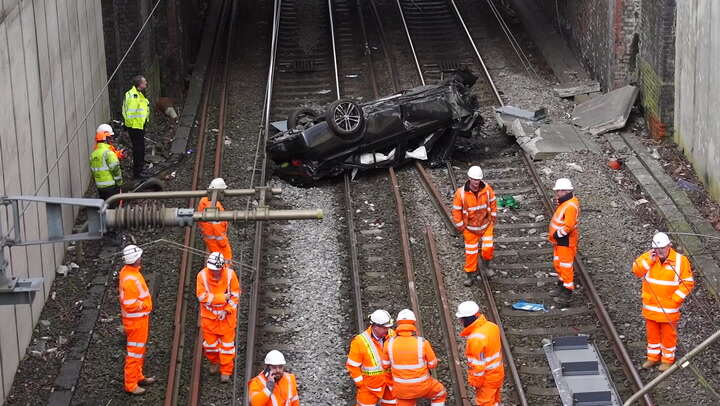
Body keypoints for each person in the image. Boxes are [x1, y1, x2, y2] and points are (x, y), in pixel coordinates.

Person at [632, 232, 694, 372]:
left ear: (669, 246)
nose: (659, 251)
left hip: (669, 309)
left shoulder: (680, 261)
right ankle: (652, 357)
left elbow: (687, 283)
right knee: (652, 335)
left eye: (662, 249)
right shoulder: (648, 258)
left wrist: (675, 300)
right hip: (651, 308)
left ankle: (667, 360)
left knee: (668, 336)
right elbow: (636, 270)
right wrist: (649, 261)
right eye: (657, 249)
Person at [382, 309, 446, 406]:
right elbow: (432, 364)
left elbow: (385, 365)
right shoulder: (422, 342)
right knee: (440, 393)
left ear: (398, 324)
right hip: (423, 386)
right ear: (413, 323)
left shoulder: (389, 343)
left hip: (402, 390)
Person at [196, 252, 240, 382]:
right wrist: (222, 298)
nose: (214, 272)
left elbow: (235, 295)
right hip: (209, 320)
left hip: (227, 319)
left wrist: (227, 310)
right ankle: (214, 362)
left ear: (222, 267)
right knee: (210, 346)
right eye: (212, 270)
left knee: (227, 347)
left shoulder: (230, 275)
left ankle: (226, 370)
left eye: (216, 270)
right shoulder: (202, 276)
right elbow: (201, 297)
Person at [118, 245, 155, 395]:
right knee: (134, 353)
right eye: (139, 256)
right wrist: (145, 305)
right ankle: (131, 384)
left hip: (138, 321)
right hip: (136, 322)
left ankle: (138, 376)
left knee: (139, 351)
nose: (141, 258)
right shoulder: (130, 279)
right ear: (135, 259)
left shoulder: (128, 272)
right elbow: (129, 304)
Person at [452, 165, 497, 286]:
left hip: (485, 226)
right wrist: (461, 227)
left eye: (478, 179)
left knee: (488, 248)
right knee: (471, 254)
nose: (476, 182)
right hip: (470, 229)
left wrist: (493, 218)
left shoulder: (487, 190)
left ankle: (486, 267)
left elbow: (493, 203)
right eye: (474, 179)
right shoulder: (461, 194)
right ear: (469, 179)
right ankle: (470, 276)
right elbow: (456, 211)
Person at [456, 301, 504, 406]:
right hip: (498, 373)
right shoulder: (492, 327)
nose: (460, 322)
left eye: (461, 319)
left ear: (467, 319)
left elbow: (478, 367)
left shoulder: (475, 339)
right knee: (494, 401)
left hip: (487, 379)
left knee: (485, 403)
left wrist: (475, 383)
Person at [346, 309, 396, 406]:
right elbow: (352, 365)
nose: (387, 330)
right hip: (369, 387)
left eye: (389, 327)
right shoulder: (359, 341)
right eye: (385, 328)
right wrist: (360, 384)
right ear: (375, 326)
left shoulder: (392, 335)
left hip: (389, 385)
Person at [548, 178, 580, 297]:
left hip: (564, 240)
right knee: (559, 263)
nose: (557, 193)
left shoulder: (570, 206)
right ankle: (562, 283)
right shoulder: (567, 202)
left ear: (564, 191)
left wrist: (557, 234)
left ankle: (567, 291)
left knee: (565, 265)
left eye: (558, 191)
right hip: (560, 240)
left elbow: (569, 226)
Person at [197, 178, 233, 261]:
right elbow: (217, 227)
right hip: (217, 242)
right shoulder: (215, 207)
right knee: (225, 260)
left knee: (217, 259)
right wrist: (223, 242)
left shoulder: (204, 201)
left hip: (209, 238)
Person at [122, 75, 150, 178]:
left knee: (140, 148)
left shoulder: (136, 94)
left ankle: (140, 169)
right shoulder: (134, 96)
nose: (146, 83)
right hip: (135, 127)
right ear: (140, 84)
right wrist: (130, 125)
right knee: (139, 149)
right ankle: (138, 172)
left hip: (137, 126)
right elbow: (131, 113)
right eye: (144, 82)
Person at [90, 124, 124, 202]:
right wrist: (119, 183)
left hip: (100, 188)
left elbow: (94, 171)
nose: (112, 139)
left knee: (105, 207)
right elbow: (115, 169)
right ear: (105, 138)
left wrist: (118, 155)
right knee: (114, 208)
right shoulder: (108, 153)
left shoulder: (93, 154)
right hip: (111, 187)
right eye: (110, 137)